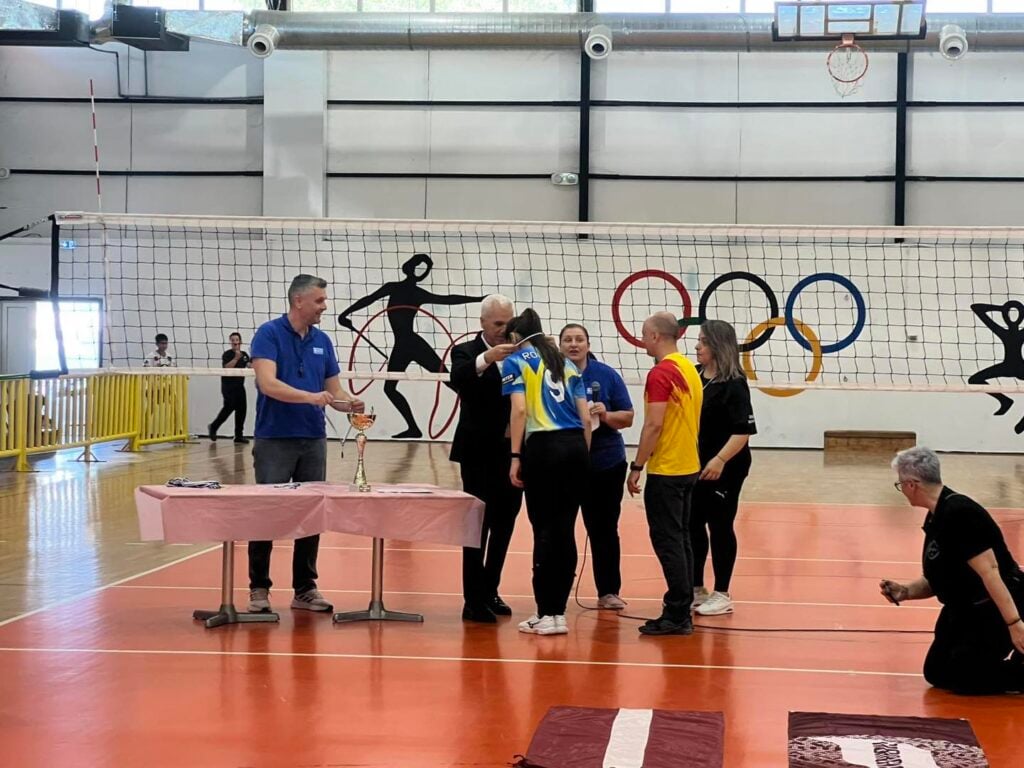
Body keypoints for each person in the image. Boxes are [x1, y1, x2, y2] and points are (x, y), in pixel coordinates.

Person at [247, 274, 365, 615]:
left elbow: (334, 390)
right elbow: (268, 384)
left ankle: (305, 588)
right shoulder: (269, 334)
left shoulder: (322, 341)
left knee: (312, 514)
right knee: (266, 514)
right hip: (274, 438)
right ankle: (259, 588)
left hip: (313, 439)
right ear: (298, 301)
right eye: (319, 301)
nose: (324, 307)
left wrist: (349, 403)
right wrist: (310, 397)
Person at [882, 446, 1024, 694]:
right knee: (936, 672)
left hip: (994, 606)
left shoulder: (960, 513)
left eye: (900, 484)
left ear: (912, 484)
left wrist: (1014, 623)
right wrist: (906, 591)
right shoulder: (935, 517)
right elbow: (939, 577)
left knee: (963, 676)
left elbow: (990, 572)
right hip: (963, 609)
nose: (901, 490)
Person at [503, 308, 591, 636]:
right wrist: (582, 454)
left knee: (543, 529)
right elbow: (586, 418)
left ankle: (544, 613)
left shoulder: (516, 361)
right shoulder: (566, 364)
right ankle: (560, 614)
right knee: (565, 529)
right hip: (575, 447)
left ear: (516, 337)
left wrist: (515, 456)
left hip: (544, 448)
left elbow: (519, 410)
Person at [337, 253, 484, 438]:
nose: (421, 272)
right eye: (418, 267)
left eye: (425, 270)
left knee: (449, 380)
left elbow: (448, 299)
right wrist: (345, 314)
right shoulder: (393, 287)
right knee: (390, 388)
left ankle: (479, 412)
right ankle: (413, 428)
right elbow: (369, 299)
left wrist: (479, 299)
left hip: (414, 344)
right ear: (409, 267)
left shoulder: (418, 293)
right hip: (402, 346)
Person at [626, 312, 703, 636]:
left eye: (644, 334)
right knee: (681, 539)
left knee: (669, 541)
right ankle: (682, 607)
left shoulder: (661, 373)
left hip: (668, 469)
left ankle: (677, 613)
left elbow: (654, 424)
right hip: (689, 466)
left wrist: (637, 466)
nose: (642, 340)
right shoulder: (689, 369)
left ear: (656, 336)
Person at [450, 295, 523, 624]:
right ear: (482, 323)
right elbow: (459, 379)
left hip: (513, 454)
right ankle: (472, 599)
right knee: (476, 527)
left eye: (508, 323)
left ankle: (491, 589)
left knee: (505, 525)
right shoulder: (465, 351)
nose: (503, 330)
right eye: (497, 324)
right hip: (478, 453)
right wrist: (487, 358)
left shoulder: (521, 353)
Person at [558, 323, 634, 610]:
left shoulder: (606, 375)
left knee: (604, 530)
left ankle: (608, 591)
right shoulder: (551, 376)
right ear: (560, 346)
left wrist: (606, 414)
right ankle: (558, 587)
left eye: (579, 339)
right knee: (560, 529)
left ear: (588, 345)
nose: (573, 344)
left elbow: (628, 417)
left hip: (605, 463)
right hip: (565, 464)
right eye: (568, 339)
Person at [690, 320, 757, 617]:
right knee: (692, 523)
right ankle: (696, 588)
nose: (697, 346)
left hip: (727, 465)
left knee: (719, 525)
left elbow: (743, 432)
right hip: (696, 463)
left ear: (718, 345)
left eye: (703, 341)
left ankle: (722, 593)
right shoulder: (694, 375)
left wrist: (719, 460)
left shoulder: (734, 383)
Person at [208, 332, 250, 444]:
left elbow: (249, 365)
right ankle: (213, 427)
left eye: (237, 340)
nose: (235, 342)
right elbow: (226, 367)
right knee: (229, 407)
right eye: (233, 340)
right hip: (228, 386)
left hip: (239, 386)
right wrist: (236, 358)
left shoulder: (244, 355)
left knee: (242, 410)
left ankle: (239, 436)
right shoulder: (227, 354)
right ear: (230, 342)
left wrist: (255, 361)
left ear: (240, 342)